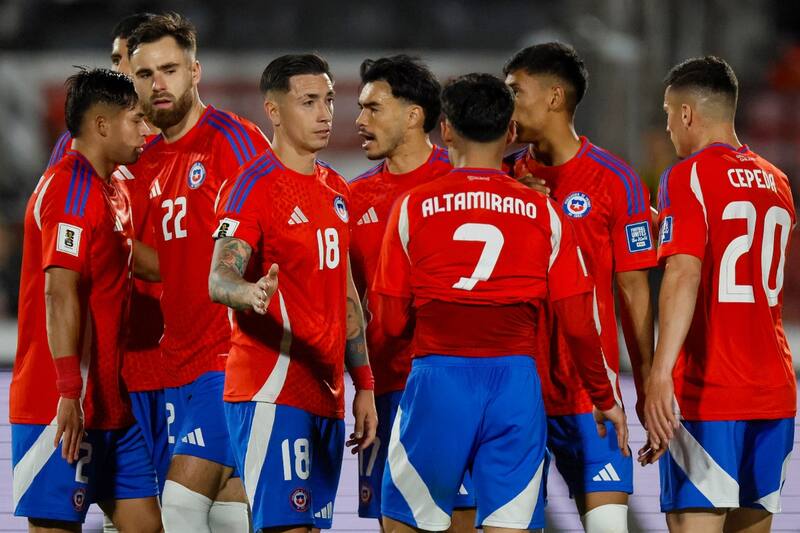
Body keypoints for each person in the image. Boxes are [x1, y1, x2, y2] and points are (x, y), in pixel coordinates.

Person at [373, 73, 628, 533]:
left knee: (406, 524)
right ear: (511, 132)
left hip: (438, 380)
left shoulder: (412, 207)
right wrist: (603, 395)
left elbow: (388, 322)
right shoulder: (544, 212)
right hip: (515, 385)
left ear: (445, 129)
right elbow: (577, 319)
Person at [208, 53, 378, 533]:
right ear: (274, 110)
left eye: (328, 100)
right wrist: (248, 293)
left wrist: (364, 383)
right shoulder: (252, 187)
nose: (326, 113)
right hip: (270, 391)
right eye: (309, 102)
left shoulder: (336, 190)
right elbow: (219, 276)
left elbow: (347, 299)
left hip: (326, 395)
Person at [503, 43, 656, 532]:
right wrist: (512, 204)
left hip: (591, 395)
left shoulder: (616, 180)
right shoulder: (502, 176)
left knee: (609, 525)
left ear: (553, 97)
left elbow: (634, 289)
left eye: (515, 91)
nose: (507, 105)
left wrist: (650, 379)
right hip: (515, 393)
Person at [127, 12, 270, 531]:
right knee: (229, 513)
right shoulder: (148, 161)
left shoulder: (232, 141)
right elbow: (166, 261)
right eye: (145, 75)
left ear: (195, 72)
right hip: (178, 365)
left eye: (169, 69)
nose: (157, 84)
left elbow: (268, 235)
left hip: (227, 359)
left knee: (182, 508)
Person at [642, 56, 796, 533]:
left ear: (687, 114)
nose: (668, 127)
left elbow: (684, 275)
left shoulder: (687, 175)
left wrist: (659, 373)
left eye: (668, 114)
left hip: (712, 392)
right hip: (774, 391)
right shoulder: (778, 181)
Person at [10, 68, 161, 532]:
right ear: (101, 125)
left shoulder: (113, 187)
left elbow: (137, 261)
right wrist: (67, 393)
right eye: (136, 120)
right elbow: (59, 293)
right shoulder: (71, 190)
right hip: (58, 406)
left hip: (111, 406)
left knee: (150, 527)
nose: (146, 131)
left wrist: (217, 276)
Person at [45, 13, 170, 499]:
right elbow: (66, 272)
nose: (125, 73)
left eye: (133, 64)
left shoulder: (167, 150)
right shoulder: (82, 165)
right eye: (117, 61)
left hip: (156, 365)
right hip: (103, 369)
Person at [349, 54, 476, 532]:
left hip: (454, 384)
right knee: (393, 522)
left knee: (461, 518)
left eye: (373, 108)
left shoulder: (464, 181)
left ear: (414, 115)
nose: (359, 120)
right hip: (385, 390)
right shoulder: (353, 197)